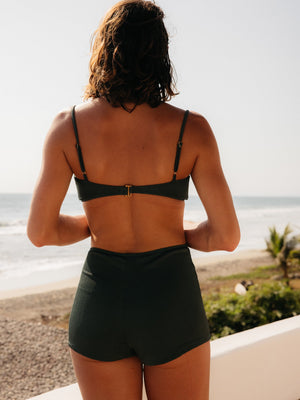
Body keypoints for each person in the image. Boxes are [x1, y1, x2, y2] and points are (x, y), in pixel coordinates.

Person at [27, 0, 240, 399]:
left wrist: (94, 223)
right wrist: (180, 229)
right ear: (160, 53)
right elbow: (225, 237)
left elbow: (40, 232)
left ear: (104, 49)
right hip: (170, 300)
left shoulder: (66, 128)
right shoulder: (192, 129)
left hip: (101, 301)